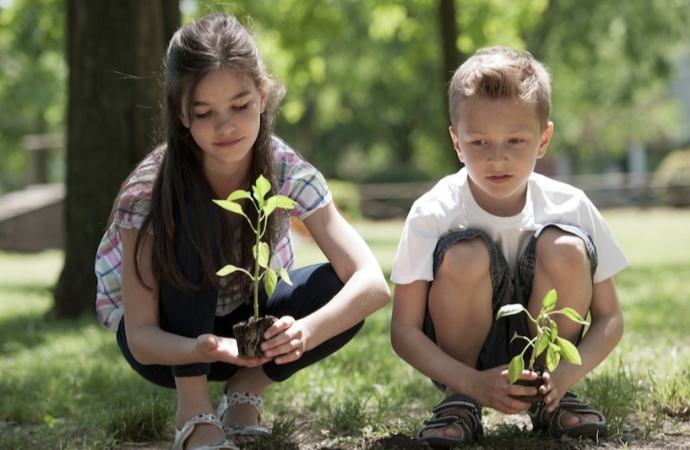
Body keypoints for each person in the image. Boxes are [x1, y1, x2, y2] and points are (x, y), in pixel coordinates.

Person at [94, 12, 390, 450]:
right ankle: (193, 411)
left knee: (338, 287)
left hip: (249, 332)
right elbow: (141, 339)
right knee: (198, 218)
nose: (226, 125)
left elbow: (373, 283)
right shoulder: (149, 192)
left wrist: (303, 333)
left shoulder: (283, 165)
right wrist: (204, 349)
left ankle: (245, 390)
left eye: (240, 105)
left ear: (263, 96)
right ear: (180, 114)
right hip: (169, 341)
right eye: (204, 112)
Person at [390, 46, 627, 447]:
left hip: (548, 357)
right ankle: (460, 401)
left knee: (566, 248)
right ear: (456, 142)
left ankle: (550, 398)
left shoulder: (571, 205)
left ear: (543, 138)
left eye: (515, 140)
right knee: (464, 255)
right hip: (463, 360)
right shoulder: (433, 211)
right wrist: (469, 382)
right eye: (479, 142)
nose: (497, 158)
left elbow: (610, 317)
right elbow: (404, 330)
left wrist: (567, 373)